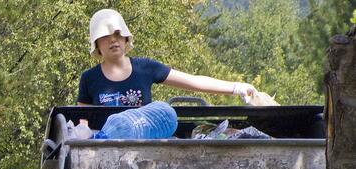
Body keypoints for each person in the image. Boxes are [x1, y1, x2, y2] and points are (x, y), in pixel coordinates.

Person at [78, 9, 258, 108]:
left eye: (117, 34)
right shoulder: (89, 78)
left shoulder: (146, 68)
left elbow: (194, 82)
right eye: (106, 35)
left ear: (126, 38)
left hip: (144, 149)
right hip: (102, 154)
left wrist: (235, 88)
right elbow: (83, 123)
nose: (113, 40)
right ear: (96, 44)